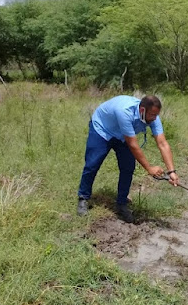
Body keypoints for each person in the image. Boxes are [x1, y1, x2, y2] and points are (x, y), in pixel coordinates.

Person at [77, 95, 179, 223]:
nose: (154, 118)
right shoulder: (124, 112)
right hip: (103, 129)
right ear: (142, 110)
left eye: (156, 115)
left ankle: (121, 203)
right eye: (152, 114)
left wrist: (172, 172)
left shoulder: (154, 118)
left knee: (128, 167)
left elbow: (163, 143)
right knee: (93, 163)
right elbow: (133, 144)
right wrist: (149, 168)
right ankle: (83, 198)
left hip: (123, 136)